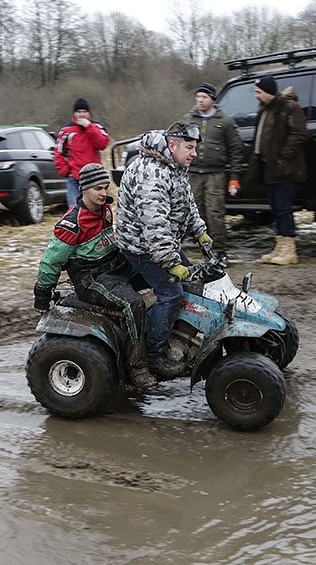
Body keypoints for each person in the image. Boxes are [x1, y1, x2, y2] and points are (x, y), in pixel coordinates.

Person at [34, 164, 158, 390]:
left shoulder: (105, 209)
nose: (103, 193)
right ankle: (136, 367)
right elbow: (51, 261)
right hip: (92, 277)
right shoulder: (72, 224)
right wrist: (42, 295)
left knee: (159, 283)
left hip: (116, 265)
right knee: (133, 304)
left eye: (105, 187)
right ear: (83, 189)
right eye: (97, 189)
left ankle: (158, 344)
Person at [115, 122, 212, 378]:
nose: (194, 154)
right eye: (189, 148)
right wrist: (172, 263)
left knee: (195, 280)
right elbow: (154, 227)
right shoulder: (151, 174)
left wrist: (200, 232)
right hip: (140, 247)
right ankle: (154, 354)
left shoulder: (175, 166)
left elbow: (188, 204)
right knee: (170, 294)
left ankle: (181, 334)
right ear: (172, 145)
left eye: (195, 148)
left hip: (161, 243)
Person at [248, 75, 307, 265]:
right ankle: (280, 245)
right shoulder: (265, 109)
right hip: (269, 168)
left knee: (283, 208)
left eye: (259, 92)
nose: (256, 95)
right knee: (276, 207)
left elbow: (298, 134)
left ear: (268, 92)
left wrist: (283, 158)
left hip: (284, 169)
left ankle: (290, 249)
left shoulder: (289, 107)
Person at [180, 82, 244, 250]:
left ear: (213, 100)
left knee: (215, 213)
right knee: (195, 212)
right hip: (192, 173)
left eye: (204, 97)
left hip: (216, 174)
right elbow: (178, 145)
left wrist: (235, 177)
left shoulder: (225, 121)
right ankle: (203, 248)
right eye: (198, 97)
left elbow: (236, 150)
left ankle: (220, 250)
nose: (200, 100)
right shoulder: (188, 119)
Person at [54, 98, 110, 208]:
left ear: (88, 113)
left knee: (95, 208)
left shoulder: (97, 127)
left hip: (94, 177)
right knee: (74, 209)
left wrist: (89, 127)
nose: (82, 115)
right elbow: (58, 152)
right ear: (74, 114)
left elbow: (102, 144)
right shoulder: (66, 130)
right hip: (74, 177)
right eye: (79, 112)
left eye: (84, 112)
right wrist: (65, 170)